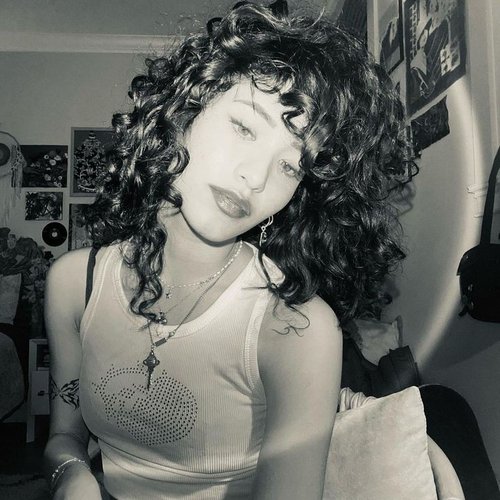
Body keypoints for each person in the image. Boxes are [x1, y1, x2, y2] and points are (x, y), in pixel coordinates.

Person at [43, 3, 415, 499]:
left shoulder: (295, 327)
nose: (256, 177)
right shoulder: (75, 283)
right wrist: (70, 474)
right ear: (183, 113)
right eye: (244, 127)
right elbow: (64, 437)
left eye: (291, 165)